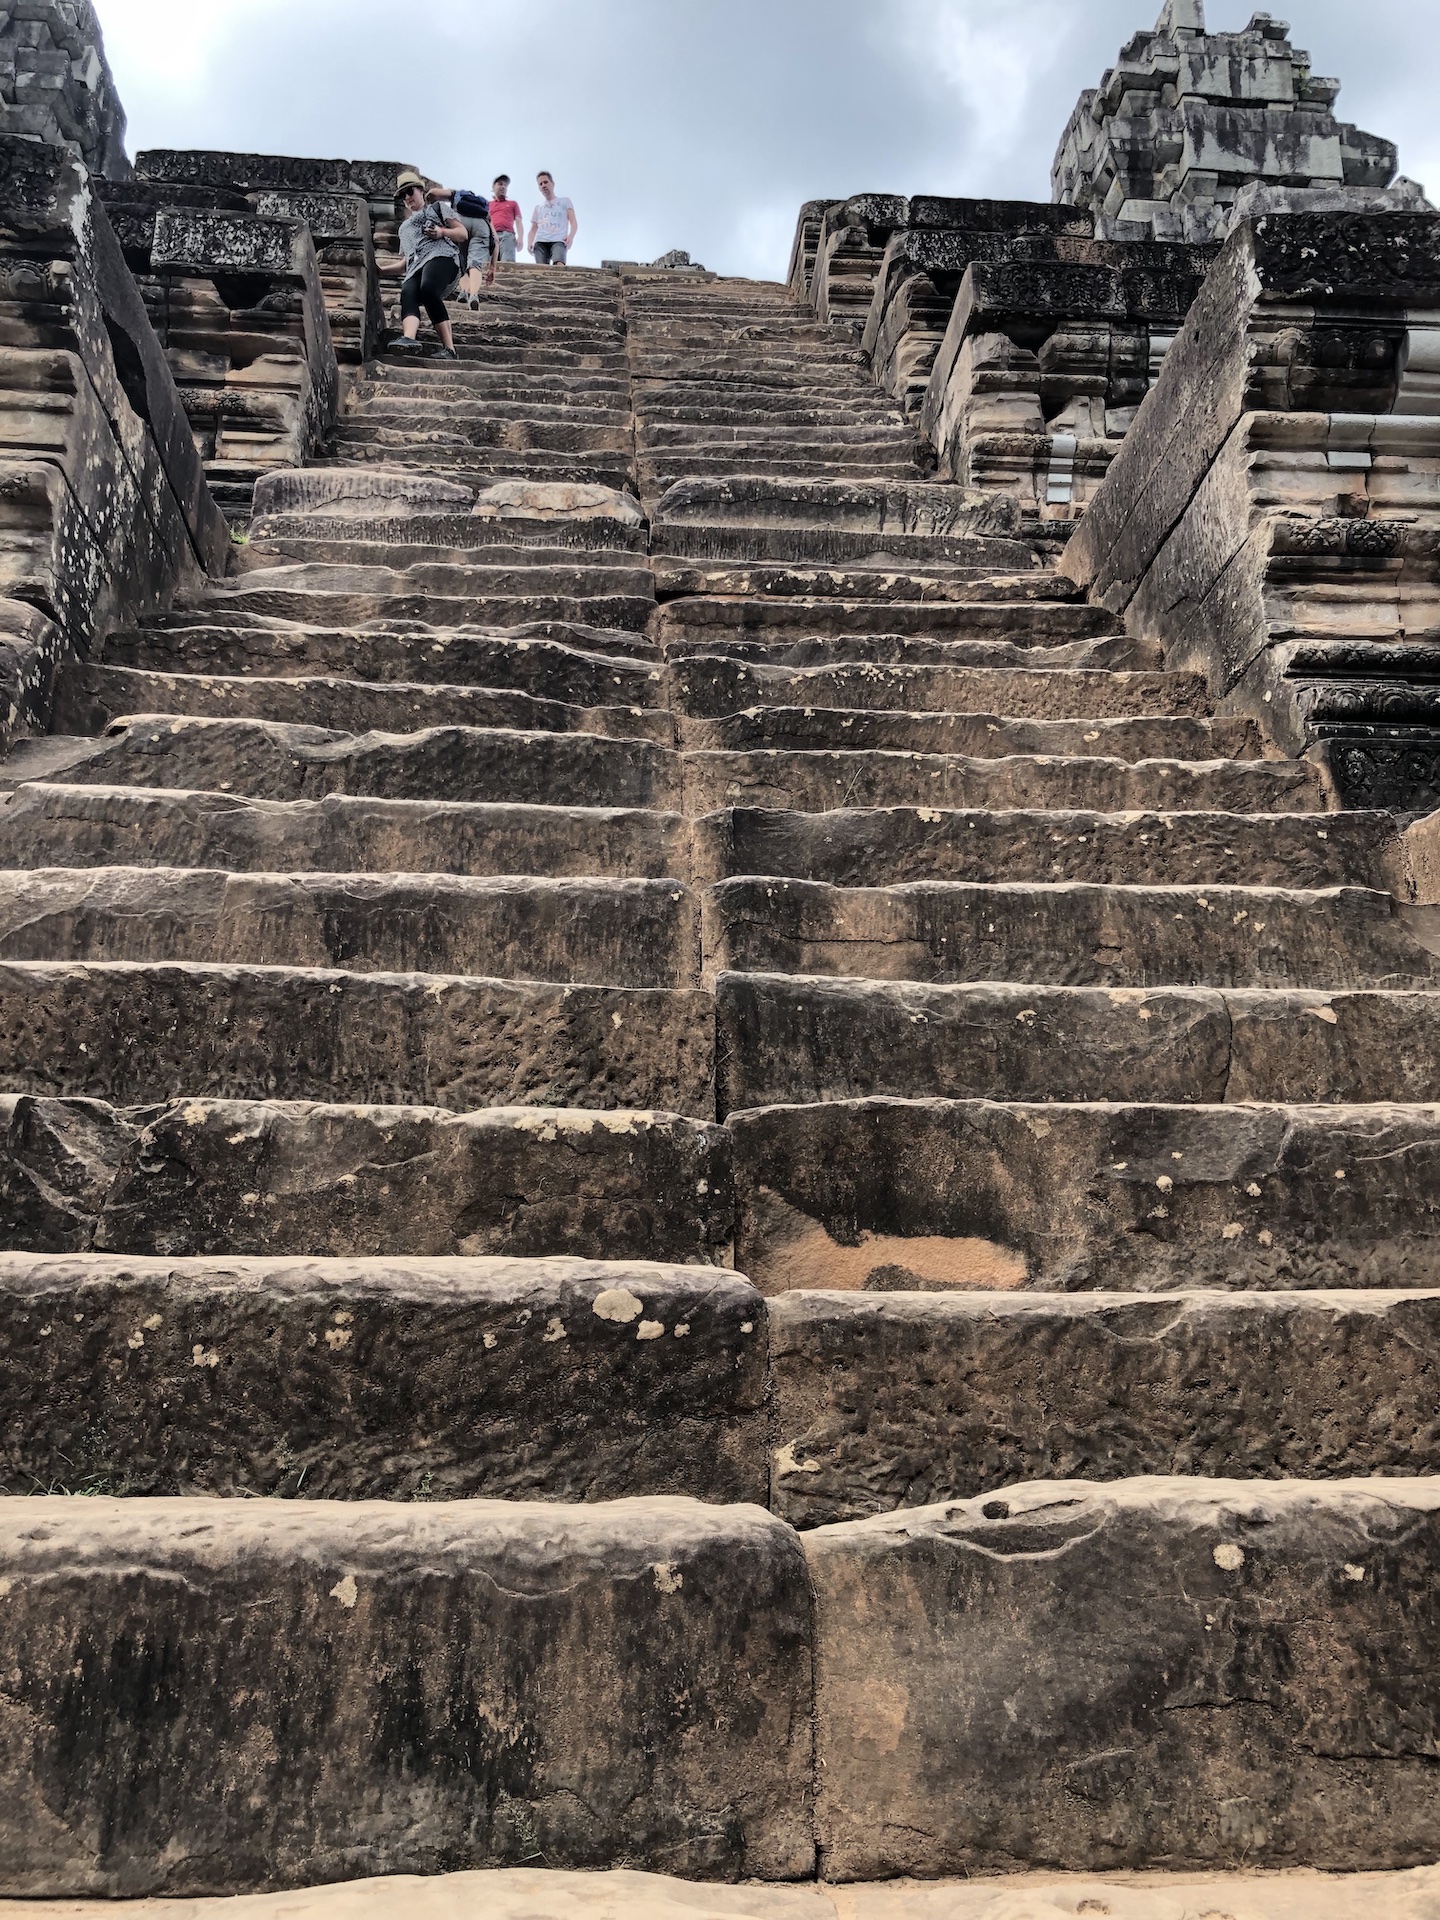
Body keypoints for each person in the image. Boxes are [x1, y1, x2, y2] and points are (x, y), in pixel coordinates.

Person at [380, 171, 466, 356]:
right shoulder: (404, 228)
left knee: (428, 287)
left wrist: (441, 232)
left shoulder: (437, 208)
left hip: (441, 255)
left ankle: (450, 349)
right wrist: (380, 270)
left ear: (421, 190)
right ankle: (408, 338)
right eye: (402, 196)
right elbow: (406, 262)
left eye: (410, 191)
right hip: (416, 267)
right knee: (408, 291)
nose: (407, 198)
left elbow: (462, 233)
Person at [426, 181, 495, 310]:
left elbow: (434, 193)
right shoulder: (483, 206)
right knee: (475, 263)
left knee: (460, 259)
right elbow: (495, 239)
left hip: (460, 221)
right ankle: (473, 295)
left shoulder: (457, 194)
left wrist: (427, 201)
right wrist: (493, 267)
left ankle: (463, 291)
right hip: (482, 226)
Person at [527, 172, 576, 266]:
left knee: (559, 265)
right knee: (541, 269)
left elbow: (573, 222)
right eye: (540, 184)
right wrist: (529, 242)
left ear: (552, 183)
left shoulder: (565, 201)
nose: (543, 185)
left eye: (546, 182)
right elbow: (533, 229)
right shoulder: (538, 207)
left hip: (559, 240)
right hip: (540, 241)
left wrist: (571, 236)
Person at [489, 175, 522, 265]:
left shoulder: (513, 204)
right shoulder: (488, 205)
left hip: (507, 235)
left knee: (507, 264)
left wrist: (520, 237)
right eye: (500, 184)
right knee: (489, 264)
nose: (503, 187)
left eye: (505, 185)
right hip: (491, 236)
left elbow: (518, 221)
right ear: (493, 187)